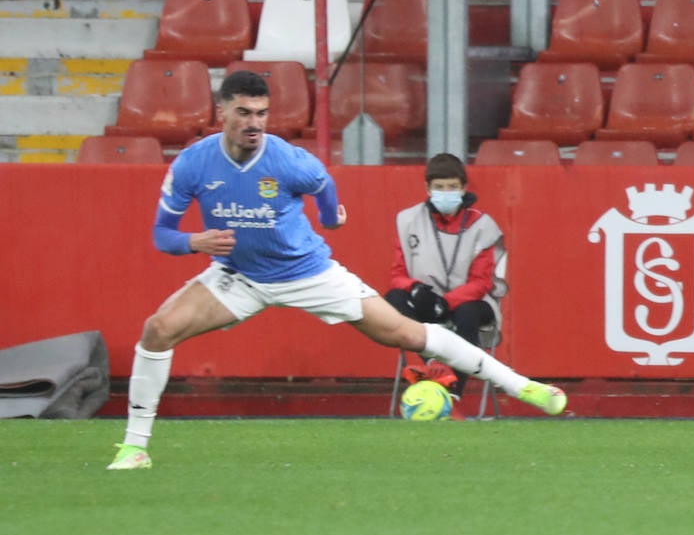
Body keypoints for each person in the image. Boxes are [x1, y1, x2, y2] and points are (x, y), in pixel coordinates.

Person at [107, 71, 566, 471]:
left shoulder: (286, 159)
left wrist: (330, 220)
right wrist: (194, 242)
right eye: (244, 112)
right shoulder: (193, 163)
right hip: (239, 276)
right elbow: (162, 235)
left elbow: (323, 184)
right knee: (158, 329)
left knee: (407, 334)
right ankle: (135, 447)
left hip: (307, 273)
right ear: (221, 111)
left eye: (262, 114)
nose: (254, 123)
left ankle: (525, 387)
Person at [385, 152, 505, 399]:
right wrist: (416, 289)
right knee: (394, 298)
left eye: (452, 187)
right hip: (427, 301)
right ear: (427, 188)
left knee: (467, 312)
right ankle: (433, 363)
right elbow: (397, 275)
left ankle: (453, 390)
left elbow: (481, 283)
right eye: (439, 187)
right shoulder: (407, 220)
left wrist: (446, 302)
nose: (446, 192)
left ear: (463, 188)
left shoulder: (483, 226)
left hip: (471, 304)